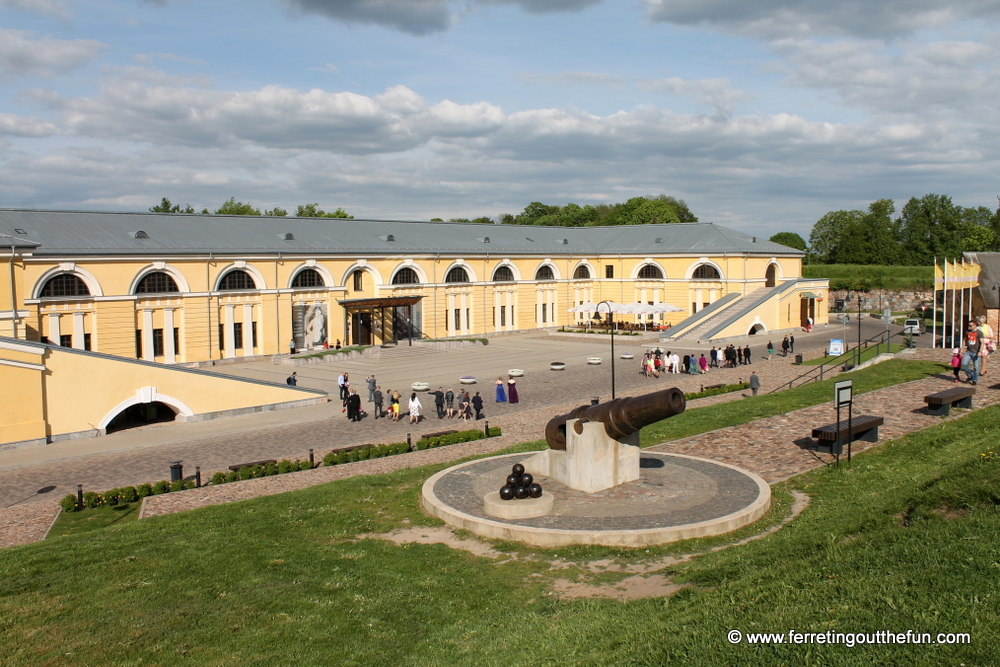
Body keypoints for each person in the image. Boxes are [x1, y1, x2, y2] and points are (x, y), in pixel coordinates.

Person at [963, 320, 983, 385]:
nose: (969, 327)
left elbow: (982, 342)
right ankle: (969, 376)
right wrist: (962, 348)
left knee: (976, 367)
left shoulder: (979, 333)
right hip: (968, 351)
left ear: (975, 325)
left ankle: (974, 380)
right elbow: (964, 340)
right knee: (964, 364)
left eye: (971, 326)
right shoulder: (967, 332)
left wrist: (980, 351)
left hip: (976, 352)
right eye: (969, 325)